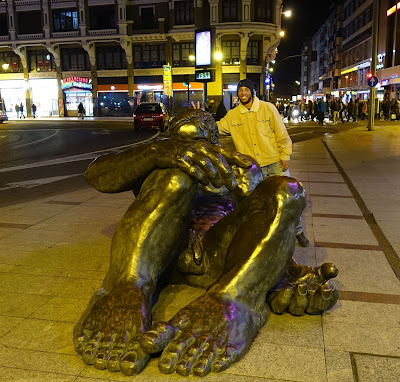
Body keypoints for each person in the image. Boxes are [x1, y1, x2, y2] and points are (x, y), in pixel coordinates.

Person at [74, 109, 338, 377]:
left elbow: (262, 223)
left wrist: (282, 271)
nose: (194, 152)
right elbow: (96, 174)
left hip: (218, 257)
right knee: (174, 178)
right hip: (165, 256)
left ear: (214, 140)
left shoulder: (238, 166)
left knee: (286, 190)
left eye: (201, 142)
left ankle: (234, 301)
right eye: (184, 143)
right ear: (170, 139)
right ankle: (126, 288)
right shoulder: (157, 160)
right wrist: (157, 153)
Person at [216, 79, 309, 247]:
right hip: (251, 169)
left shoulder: (268, 108)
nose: (243, 92)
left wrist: (285, 155)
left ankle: (299, 232)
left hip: (273, 162)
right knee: (256, 204)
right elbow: (216, 129)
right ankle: (262, 236)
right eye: (240, 90)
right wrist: (202, 119)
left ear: (252, 91)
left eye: (246, 89)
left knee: (287, 199)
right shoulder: (232, 115)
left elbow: (281, 133)